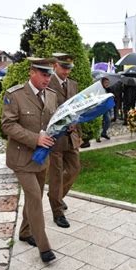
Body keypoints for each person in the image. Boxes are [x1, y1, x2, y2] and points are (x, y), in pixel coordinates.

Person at [1, 57, 57, 262]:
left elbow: (53, 121)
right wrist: (36, 139)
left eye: (50, 74)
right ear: (32, 72)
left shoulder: (51, 95)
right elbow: (7, 125)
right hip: (21, 158)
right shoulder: (14, 95)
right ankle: (44, 247)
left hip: (42, 159)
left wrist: (65, 127)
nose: (48, 78)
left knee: (36, 196)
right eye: (44, 74)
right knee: (34, 197)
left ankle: (25, 231)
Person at [48, 53, 82, 228]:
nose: (67, 71)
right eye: (64, 67)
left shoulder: (73, 85)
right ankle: (57, 211)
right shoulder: (48, 84)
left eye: (69, 68)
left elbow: (77, 109)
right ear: (55, 66)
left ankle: (57, 197)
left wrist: (77, 129)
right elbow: (47, 111)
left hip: (71, 136)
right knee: (55, 175)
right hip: (55, 138)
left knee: (75, 169)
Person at [97, 77, 111, 142]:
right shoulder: (99, 90)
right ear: (102, 83)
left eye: (108, 83)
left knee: (108, 120)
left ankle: (104, 133)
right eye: (106, 83)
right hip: (100, 108)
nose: (107, 84)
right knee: (99, 122)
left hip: (105, 108)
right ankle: (97, 136)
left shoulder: (107, 90)